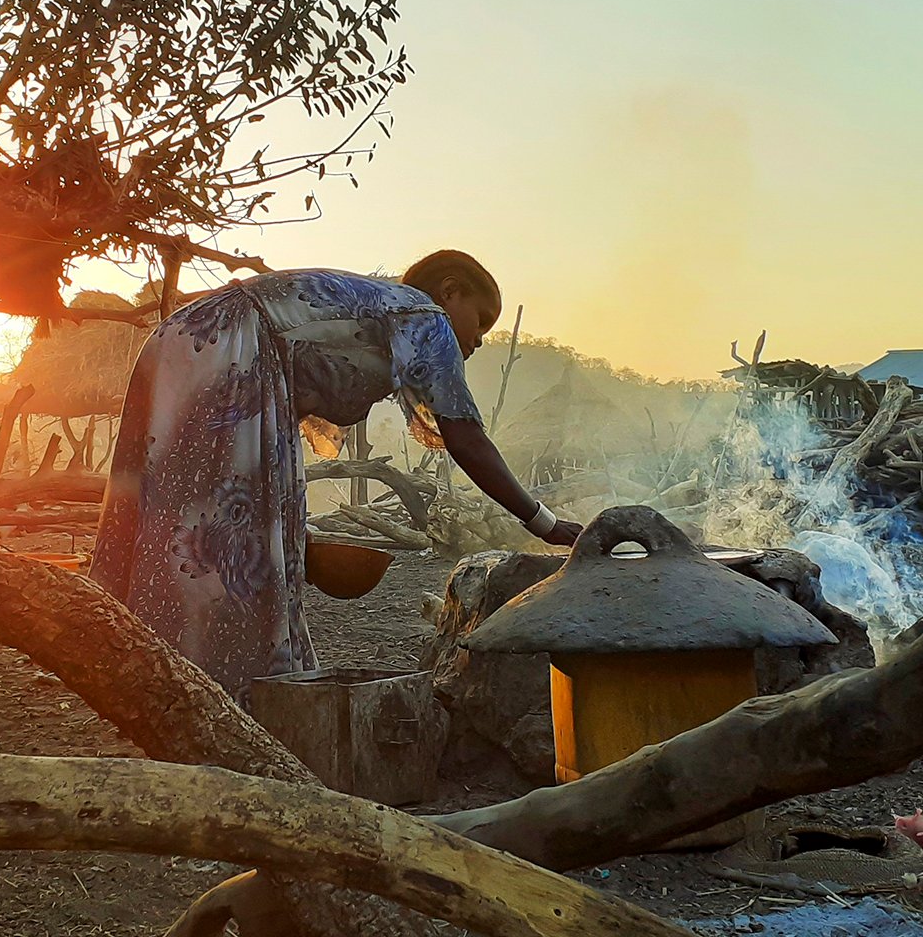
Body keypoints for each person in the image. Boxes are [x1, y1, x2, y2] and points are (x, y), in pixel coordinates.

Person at [89, 250, 582, 698]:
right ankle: (229, 695)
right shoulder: (424, 314)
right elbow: (465, 437)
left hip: (188, 340)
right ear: (451, 291)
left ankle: (152, 679)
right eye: (481, 320)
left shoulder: (376, 309)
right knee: (224, 537)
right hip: (229, 345)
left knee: (177, 525)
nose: (478, 339)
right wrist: (543, 522)